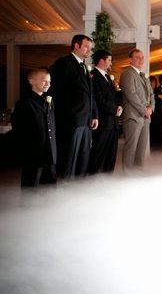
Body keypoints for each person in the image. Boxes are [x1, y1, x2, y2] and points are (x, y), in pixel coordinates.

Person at [49, 34, 98, 179]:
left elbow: (91, 94)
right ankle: (64, 187)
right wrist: (67, 116)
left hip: (86, 120)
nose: (89, 50)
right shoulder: (63, 63)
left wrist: (94, 115)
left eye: (90, 48)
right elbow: (56, 92)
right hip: (71, 121)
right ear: (76, 46)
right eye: (86, 47)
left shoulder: (85, 66)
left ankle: (77, 189)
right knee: (68, 157)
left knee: (82, 158)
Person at [12, 69, 57, 187]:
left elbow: (52, 125)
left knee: (51, 186)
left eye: (49, 81)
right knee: (30, 187)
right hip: (33, 155)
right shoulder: (23, 103)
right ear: (31, 81)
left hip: (50, 153)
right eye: (44, 80)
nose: (48, 84)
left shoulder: (50, 101)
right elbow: (18, 131)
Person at [120, 49, 155, 170]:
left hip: (145, 117)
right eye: (137, 57)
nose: (141, 60)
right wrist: (144, 110)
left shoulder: (143, 75)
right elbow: (131, 94)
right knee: (131, 147)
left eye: (142, 57)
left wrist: (151, 108)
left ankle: (138, 172)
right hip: (133, 117)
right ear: (130, 59)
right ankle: (127, 173)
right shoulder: (127, 73)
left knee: (141, 148)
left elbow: (151, 94)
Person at [88, 50, 121, 174]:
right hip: (102, 122)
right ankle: (93, 180)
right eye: (109, 60)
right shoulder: (93, 76)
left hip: (112, 122)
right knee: (98, 153)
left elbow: (113, 96)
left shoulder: (107, 76)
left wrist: (119, 106)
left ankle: (107, 181)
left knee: (111, 155)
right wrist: (114, 109)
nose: (111, 63)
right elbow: (97, 99)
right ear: (101, 61)